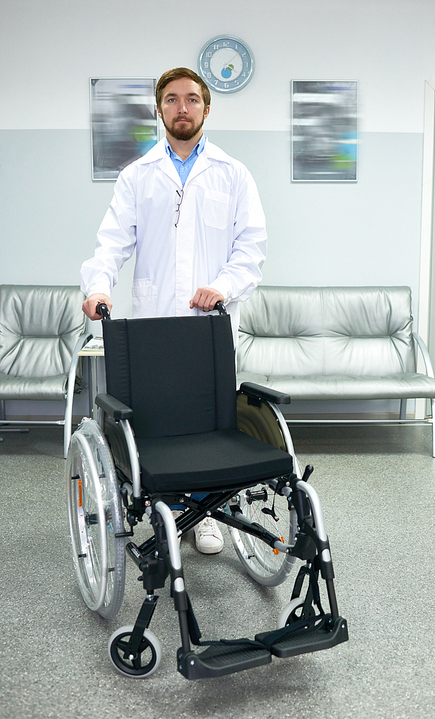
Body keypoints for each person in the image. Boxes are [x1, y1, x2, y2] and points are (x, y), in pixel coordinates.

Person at [81, 66, 267, 555]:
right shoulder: (137, 176)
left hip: (211, 323)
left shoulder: (234, 174)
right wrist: (98, 287)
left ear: (207, 107)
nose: (181, 107)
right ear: (159, 108)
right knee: (157, 419)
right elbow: (111, 242)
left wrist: (222, 286)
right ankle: (170, 508)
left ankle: (205, 516)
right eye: (171, 99)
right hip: (154, 318)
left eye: (191, 99)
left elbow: (251, 249)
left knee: (208, 421)